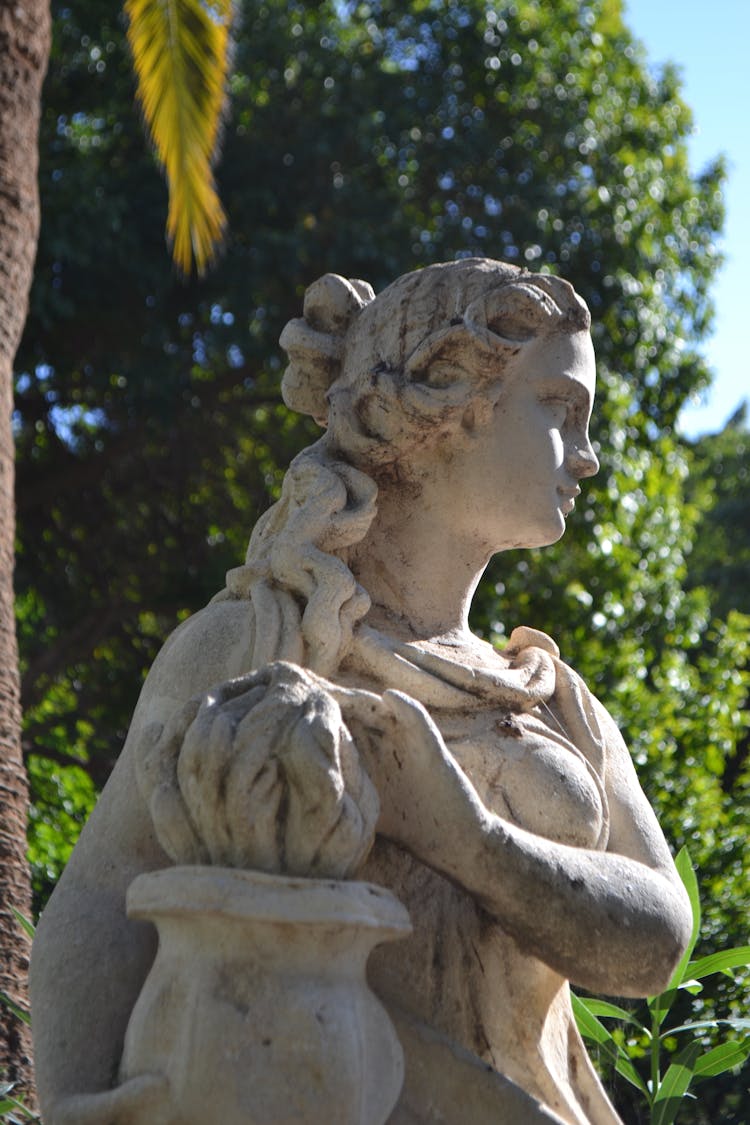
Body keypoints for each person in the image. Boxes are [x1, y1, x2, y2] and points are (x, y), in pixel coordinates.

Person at [31, 259, 692, 1125]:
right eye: (561, 410)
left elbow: (656, 948)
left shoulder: (556, 700)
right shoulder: (256, 643)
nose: (589, 455)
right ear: (440, 408)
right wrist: (80, 1105)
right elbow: (101, 897)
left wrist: (466, 837)